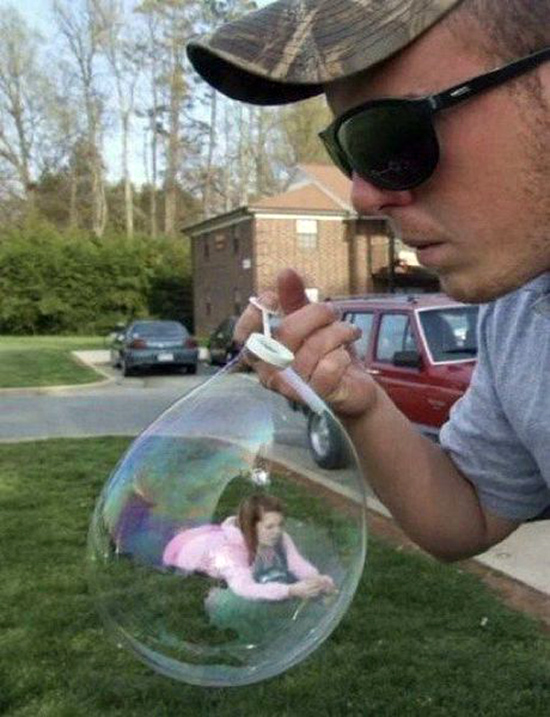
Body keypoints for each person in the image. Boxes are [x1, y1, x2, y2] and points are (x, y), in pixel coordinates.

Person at [185, 0, 550, 562]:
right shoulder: (522, 311)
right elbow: (471, 513)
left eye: (392, 138)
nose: (362, 195)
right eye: (348, 151)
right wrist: (359, 402)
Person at [162, 493, 335, 600]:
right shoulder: (230, 553)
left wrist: (317, 579)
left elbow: (295, 562)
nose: (278, 531)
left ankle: (184, 532)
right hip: (185, 552)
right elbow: (245, 588)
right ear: (251, 527)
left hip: (214, 538)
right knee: (217, 565)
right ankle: (179, 536)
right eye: (270, 527)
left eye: (280, 524)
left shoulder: (278, 536)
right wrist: (290, 590)